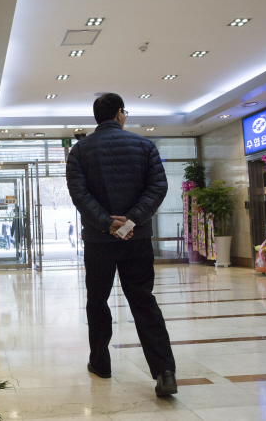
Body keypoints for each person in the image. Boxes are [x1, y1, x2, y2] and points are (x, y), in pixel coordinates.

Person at [66, 93, 177, 396]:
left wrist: (106, 222)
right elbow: (158, 187)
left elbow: (79, 194)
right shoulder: (145, 146)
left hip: (99, 242)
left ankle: (100, 363)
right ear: (119, 114)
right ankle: (164, 371)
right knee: (143, 301)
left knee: (98, 301)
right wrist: (131, 221)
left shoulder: (79, 151)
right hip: (136, 239)